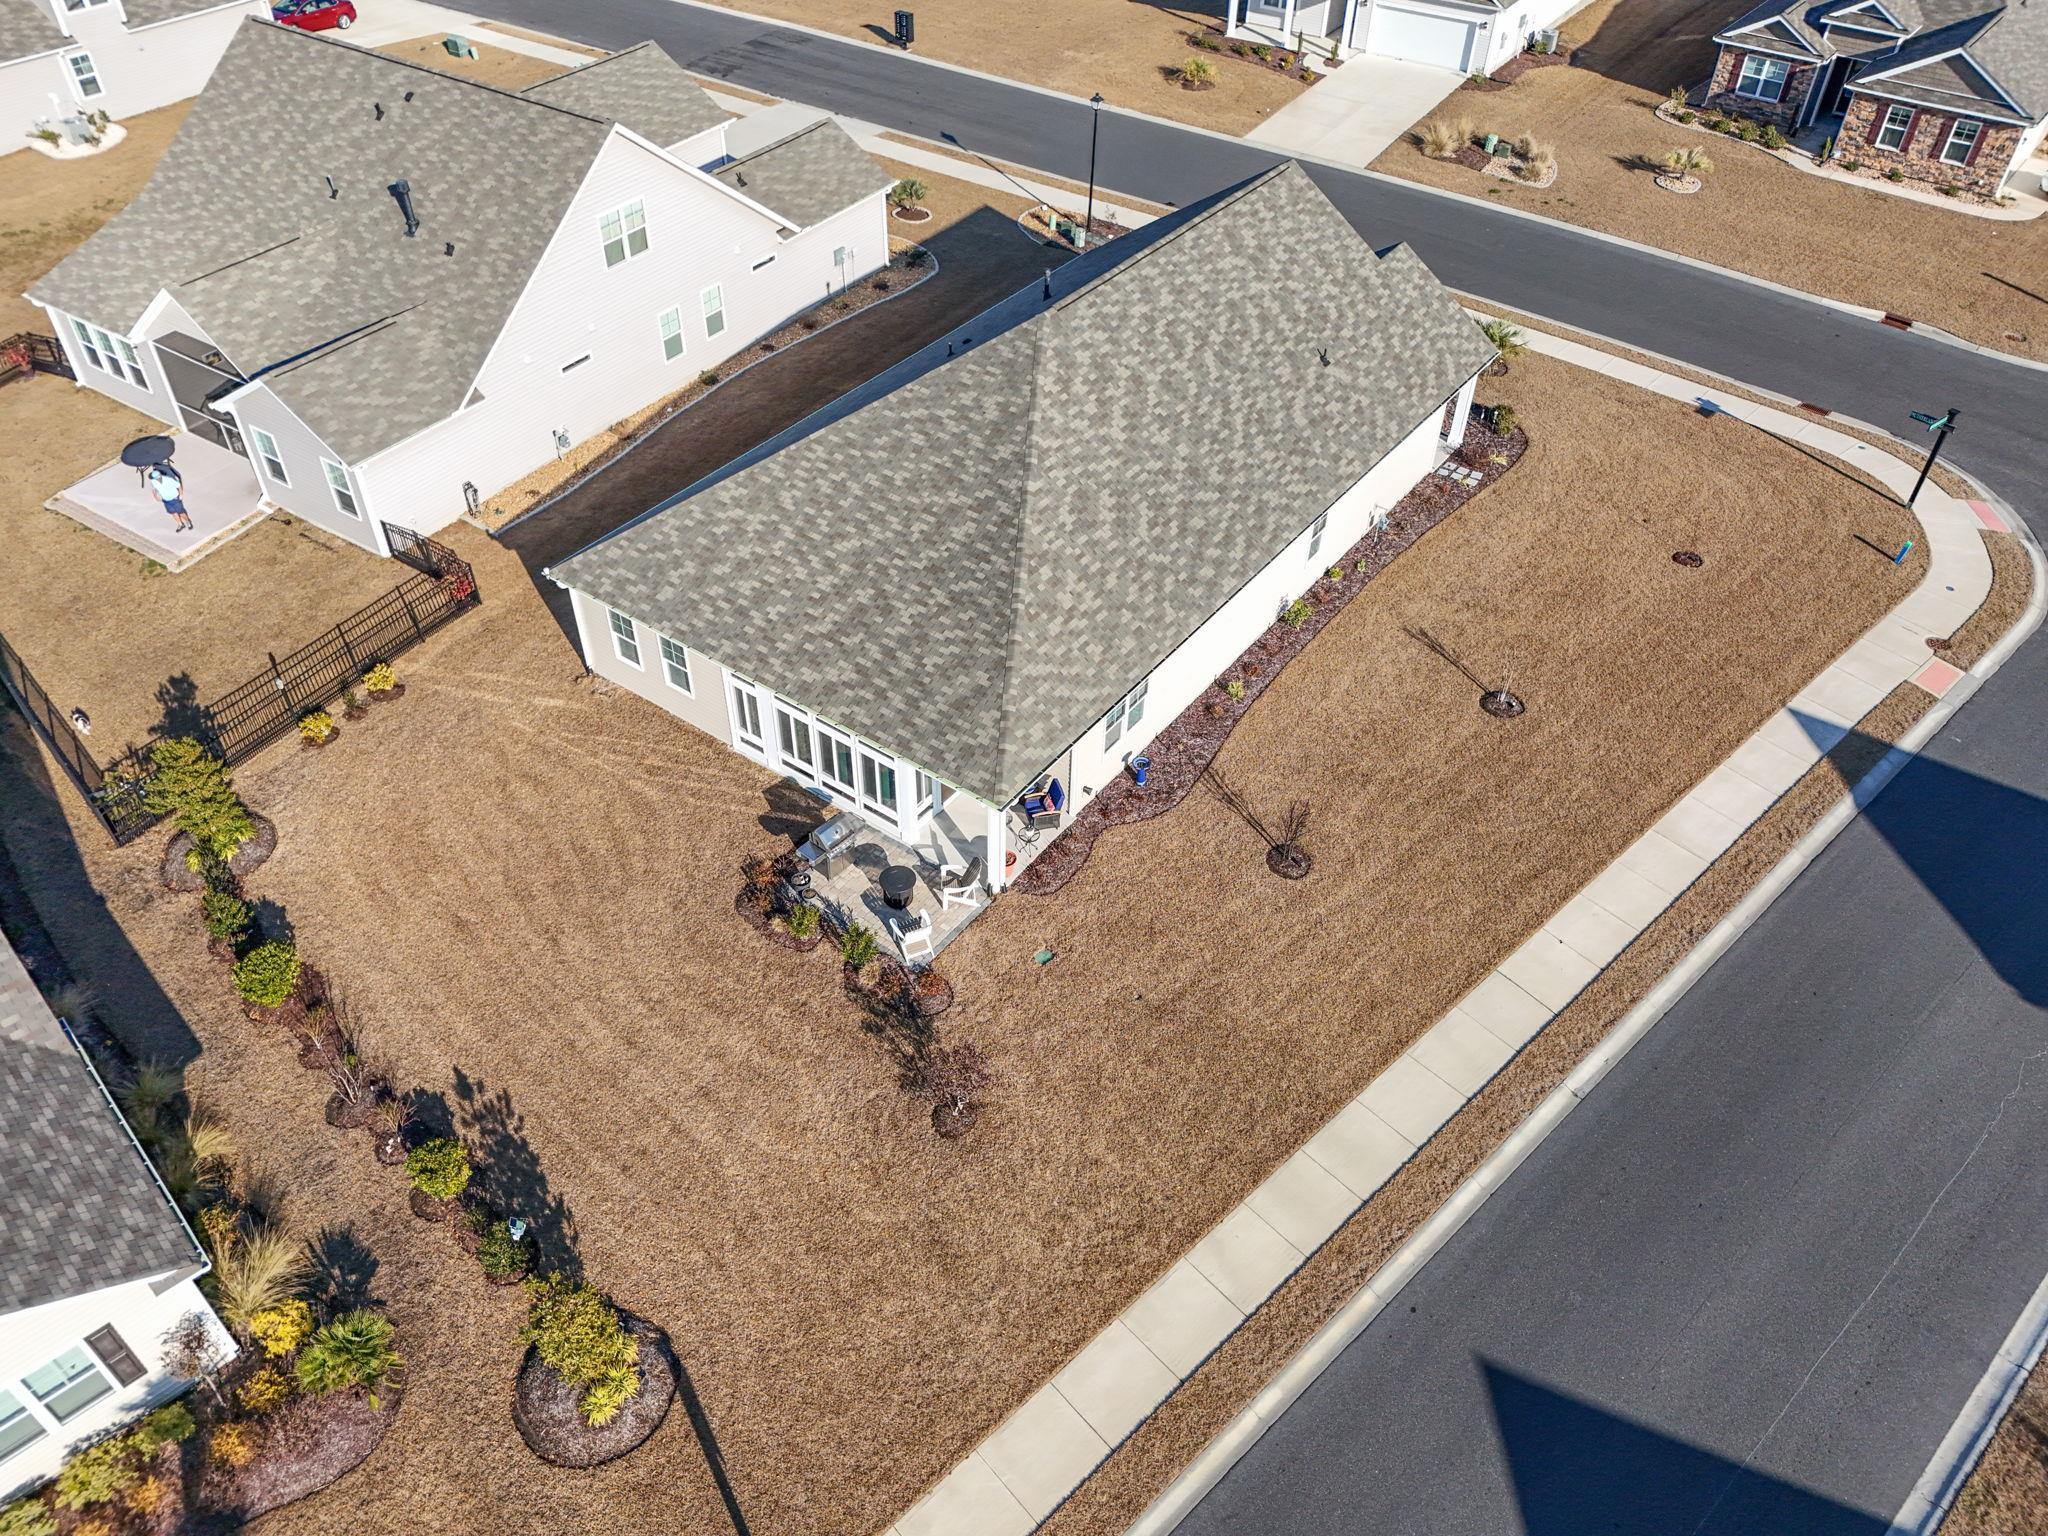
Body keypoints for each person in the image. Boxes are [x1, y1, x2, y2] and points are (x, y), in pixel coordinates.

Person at [146, 460, 192, 532]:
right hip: (166, 500)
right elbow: (154, 489)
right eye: (155, 478)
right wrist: (155, 496)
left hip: (175, 498)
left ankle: (188, 521)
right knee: (173, 512)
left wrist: (181, 495)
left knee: (181, 512)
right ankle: (180, 524)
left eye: (157, 478)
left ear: (160, 476)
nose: (157, 479)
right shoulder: (153, 481)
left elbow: (179, 486)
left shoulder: (168, 479)